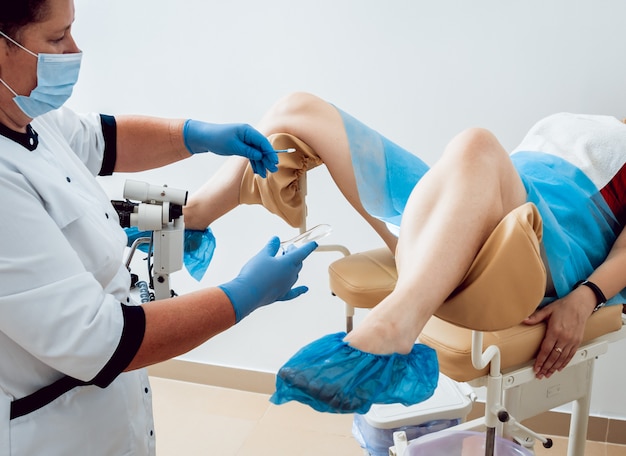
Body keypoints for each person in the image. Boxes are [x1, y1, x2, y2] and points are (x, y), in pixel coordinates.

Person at [0, 1, 317, 454]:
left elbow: (100, 139)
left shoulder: (23, 110)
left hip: (108, 414)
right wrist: (245, 293)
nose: (74, 51)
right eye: (56, 39)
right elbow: (103, 339)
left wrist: (193, 134)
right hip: (52, 430)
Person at [184, 91, 626, 414]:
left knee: (477, 143)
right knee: (297, 110)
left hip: (529, 251)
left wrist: (587, 296)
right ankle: (187, 219)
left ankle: (396, 326)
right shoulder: (582, 121)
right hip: (461, 219)